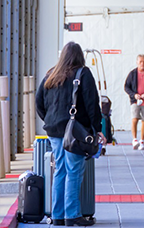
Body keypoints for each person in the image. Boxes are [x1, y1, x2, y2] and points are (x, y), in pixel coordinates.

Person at [35, 42, 105, 227]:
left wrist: (50, 121)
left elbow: (39, 103)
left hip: (54, 130)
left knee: (60, 170)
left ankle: (58, 215)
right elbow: (92, 104)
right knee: (74, 171)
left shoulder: (51, 74)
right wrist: (98, 129)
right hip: (75, 132)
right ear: (79, 56)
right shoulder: (83, 73)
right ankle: (72, 215)